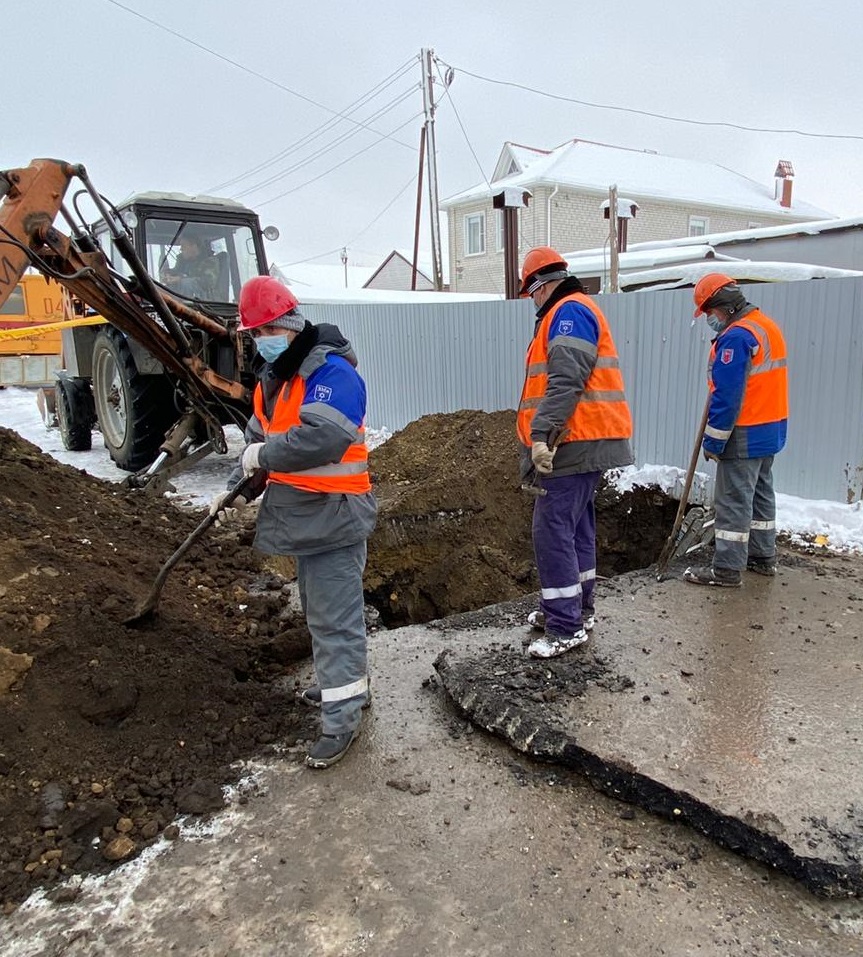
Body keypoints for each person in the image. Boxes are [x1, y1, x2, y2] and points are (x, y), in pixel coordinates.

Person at [209, 275, 377, 768]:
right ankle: (344, 687)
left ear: (288, 325)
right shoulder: (276, 380)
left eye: (265, 331)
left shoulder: (332, 373)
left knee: (334, 620)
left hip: (335, 516)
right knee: (324, 615)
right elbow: (261, 451)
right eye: (254, 334)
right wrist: (239, 490)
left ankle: (341, 717)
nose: (260, 342)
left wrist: (265, 454)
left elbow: (319, 441)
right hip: (307, 519)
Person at [517, 246, 634, 659]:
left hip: (573, 441)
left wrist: (543, 436)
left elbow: (566, 381)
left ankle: (566, 625)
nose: (531, 300)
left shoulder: (567, 312)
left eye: (530, 292)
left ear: (541, 285)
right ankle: (574, 609)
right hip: (585, 440)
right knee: (576, 528)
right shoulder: (571, 311)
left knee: (550, 530)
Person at [684, 274, 788, 587]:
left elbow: (727, 397)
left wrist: (713, 441)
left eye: (708, 313)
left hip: (745, 429)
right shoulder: (766, 326)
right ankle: (762, 557)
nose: (708, 319)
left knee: (733, 500)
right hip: (771, 428)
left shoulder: (736, 337)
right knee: (760, 493)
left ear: (723, 307)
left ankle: (727, 569)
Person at [161, 230, 221, 299]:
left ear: (194, 246)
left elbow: (208, 282)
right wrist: (167, 275)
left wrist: (181, 279)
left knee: (186, 284)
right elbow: (175, 272)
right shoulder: (183, 261)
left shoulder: (210, 261)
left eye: (183, 246)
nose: (181, 249)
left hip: (203, 301)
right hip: (184, 296)